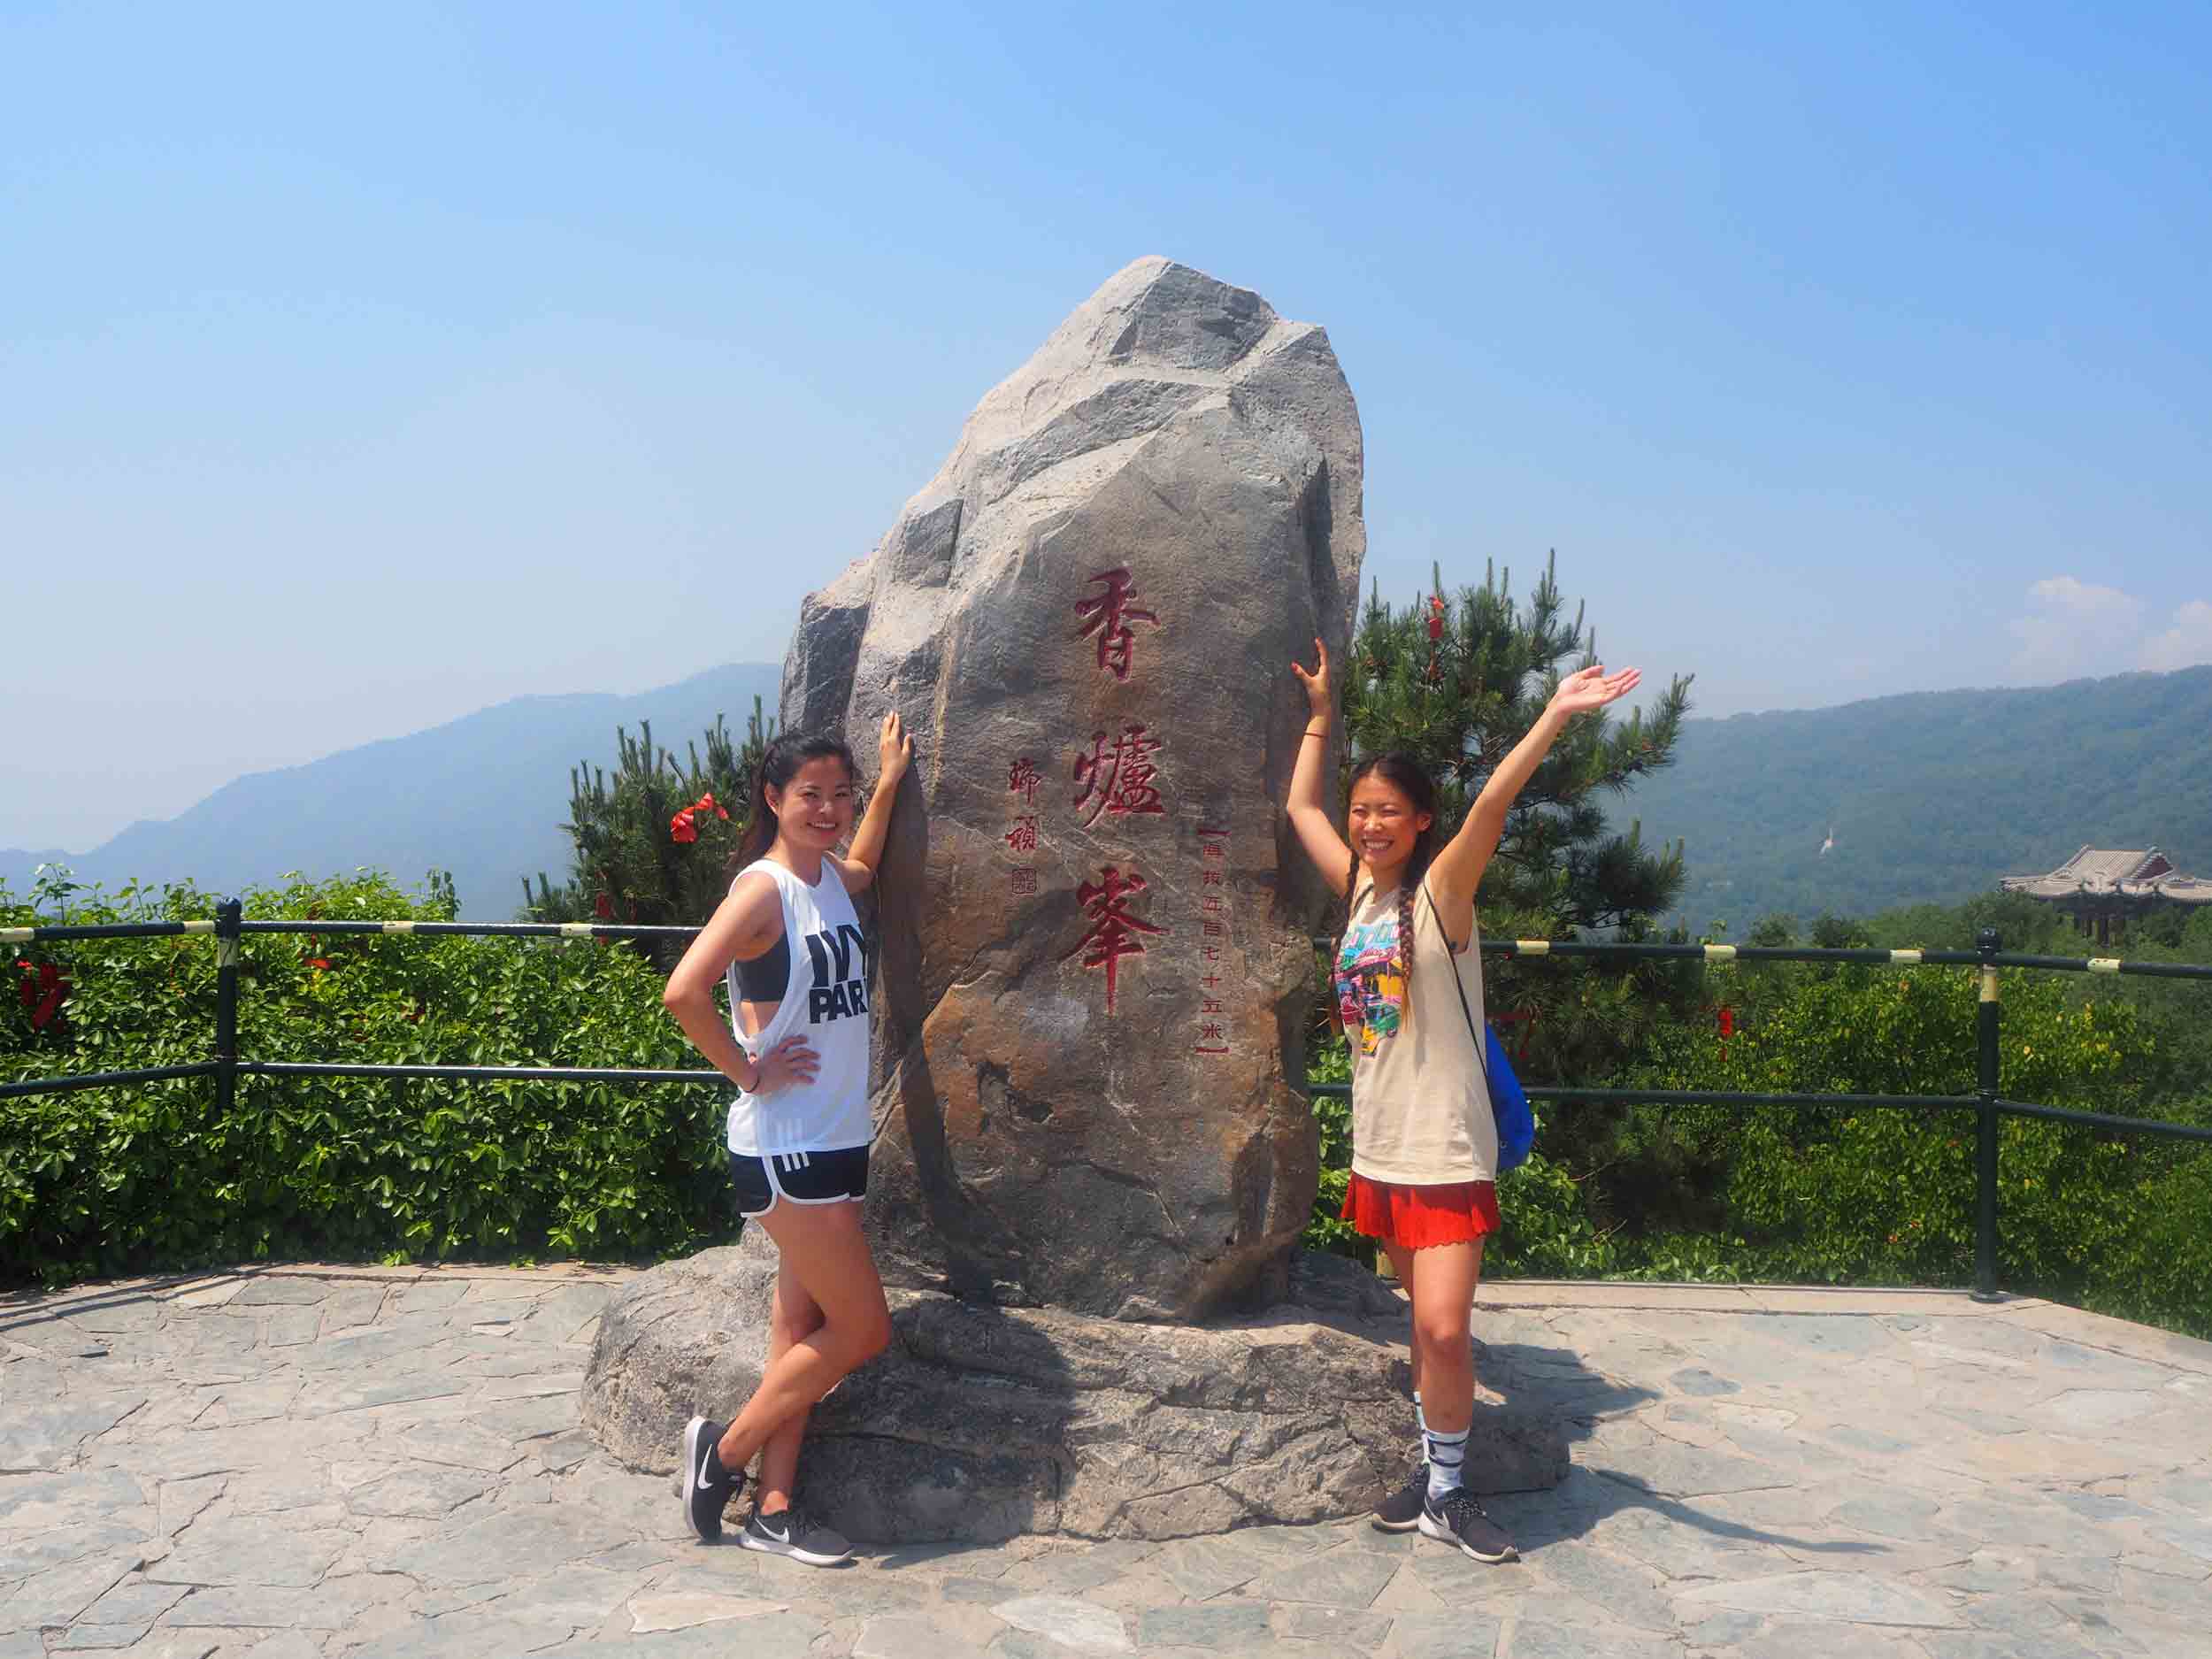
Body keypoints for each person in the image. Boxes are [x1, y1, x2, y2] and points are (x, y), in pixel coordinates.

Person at [1285, 639, 1639, 1563]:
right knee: (1422, 1327)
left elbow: (1492, 805)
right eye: (1361, 811)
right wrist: (1321, 718)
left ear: (1420, 821)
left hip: (1444, 1147)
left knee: (1442, 1327)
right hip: (1379, 1149)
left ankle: (1447, 1490)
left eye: (1387, 813)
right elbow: (1295, 807)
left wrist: (1554, 717)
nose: (1368, 825)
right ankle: (1434, 1470)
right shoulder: (1361, 894)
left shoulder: (1444, 894)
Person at [661, 714, 913, 1565]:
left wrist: (883, 780)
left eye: (838, 795)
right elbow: (684, 990)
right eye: (811, 794)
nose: (829, 808)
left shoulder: (832, 878)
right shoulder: (762, 890)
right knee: (865, 1328)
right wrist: (746, 1069)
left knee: (798, 1322)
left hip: (836, 1138)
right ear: (773, 799)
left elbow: (867, 865)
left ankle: (774, 1509)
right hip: (787, 1144)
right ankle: (722, 1453)